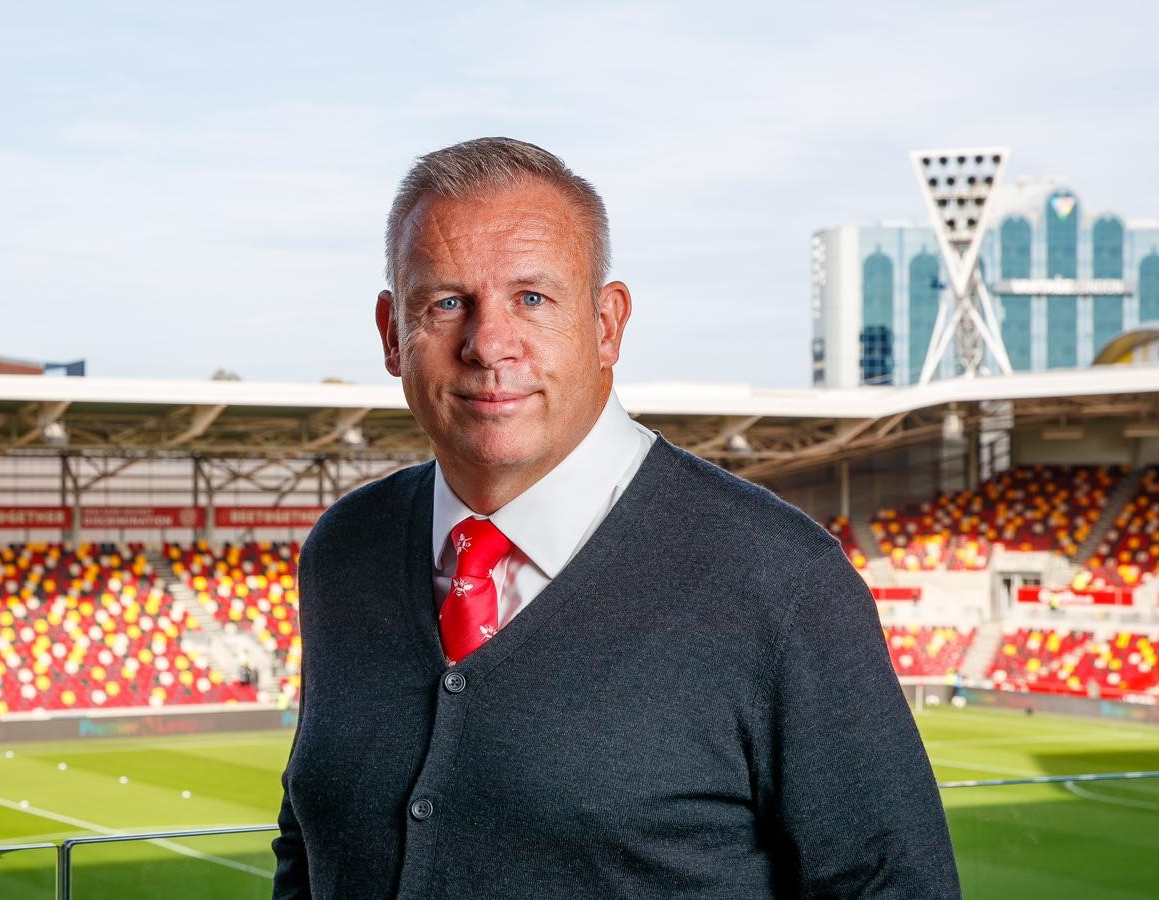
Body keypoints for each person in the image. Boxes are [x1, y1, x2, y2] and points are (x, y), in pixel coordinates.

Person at [272, 137, 959, 898]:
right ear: (392, 333)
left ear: (607, 324)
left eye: (533, 298)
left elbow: (894, 885)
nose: (488, 343)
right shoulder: (343, 552)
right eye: (444, 302)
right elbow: (308, 841)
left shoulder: (780, 582)